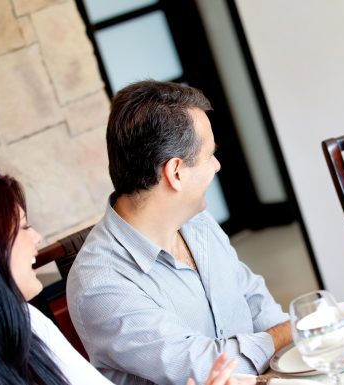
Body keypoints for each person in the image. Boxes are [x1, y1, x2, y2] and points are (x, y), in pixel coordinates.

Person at [66, 81, 291, 385]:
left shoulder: (196, 221)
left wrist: (301, 341)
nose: (217, 165)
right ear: (176, 173)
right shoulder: (100, 284)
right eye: (209, 154)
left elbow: (252, 297)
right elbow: (208, 371)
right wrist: (289, 333)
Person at [0, 169, 247, 385]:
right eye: (22, 227)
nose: (37, 237)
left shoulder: (25, 321)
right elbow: (195, 361)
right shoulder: (99, 282)